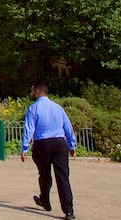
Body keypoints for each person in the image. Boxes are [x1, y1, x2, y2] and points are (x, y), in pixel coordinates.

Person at [21, 82, 77, 220]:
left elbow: (29, 129)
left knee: (44, 174)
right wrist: (72, 144)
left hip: (42, 144)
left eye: (32, 91)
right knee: (63, 177)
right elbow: (67, 126)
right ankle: (68, 211)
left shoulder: (33, 108)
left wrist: (25, 147)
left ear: (38, 92)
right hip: (59, 143)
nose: (31, 94)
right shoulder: (58, 108)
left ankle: (45, 201)